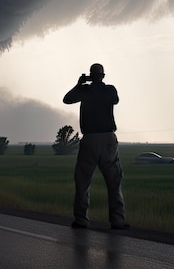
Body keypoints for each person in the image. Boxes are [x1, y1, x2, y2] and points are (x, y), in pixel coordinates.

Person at [63, 63, 129, 229]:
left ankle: (81, 220)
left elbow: (67, 99)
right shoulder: (110, 90)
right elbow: (115, 100)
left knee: (83, 181)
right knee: (114, 180)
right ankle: (118, 220)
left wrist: (79, 84)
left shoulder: (84, 91)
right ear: (103, 75)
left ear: (91, 76)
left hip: (89, 139)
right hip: (108, 138)